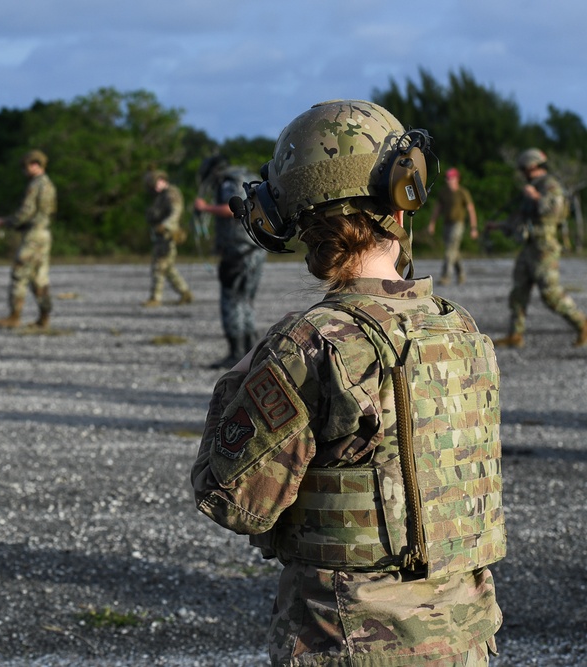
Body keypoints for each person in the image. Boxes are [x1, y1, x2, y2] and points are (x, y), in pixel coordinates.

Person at [191, 100, 505, 666]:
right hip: (466, 639)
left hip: (348, 642)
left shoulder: (310, 342)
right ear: (403, 197)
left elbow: (232, 499)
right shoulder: (461, 329)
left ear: (294, 219)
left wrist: (232, 386)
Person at [493, 148, 587, 348]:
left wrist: (536, 197)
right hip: (529, 246)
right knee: (519, 291)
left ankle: (582, 324)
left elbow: (555, 211)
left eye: (524, 169)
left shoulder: (550, 185)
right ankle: (515, 335)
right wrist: (499, 226)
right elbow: (522, 218)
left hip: (544, 247)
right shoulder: (533, 186)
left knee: (551, 294)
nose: (523, 173)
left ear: (532, 166)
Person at [193, 155, 266, 368]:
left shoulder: (228, 183)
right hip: (254, 248)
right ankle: (251, 352)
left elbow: (231, 208)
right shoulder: (244, 178)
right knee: (246, 301)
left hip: (239, 252)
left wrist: (204, 208)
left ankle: (237, 353)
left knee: (231, 302)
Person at [0, 149, 56, 329]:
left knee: (19, 274)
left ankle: (14, 316)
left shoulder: (35, 185)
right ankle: (44, 318)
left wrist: (6, 222)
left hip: (33, 235)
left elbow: (26, 212)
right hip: (45, 233)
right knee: (39, 278)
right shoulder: (49, 184)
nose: (24, 171)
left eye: (25, 167)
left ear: (35, 165)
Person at [142, 170, 192, 307]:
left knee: (159, 266)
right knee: (168, 268)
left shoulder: (171, 193)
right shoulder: (161, 196)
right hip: (162, 234)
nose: (154, 187)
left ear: (163, 180)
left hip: (168, 235)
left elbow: (176, 212)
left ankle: (155, 298)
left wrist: (166, 225)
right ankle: (185, 293)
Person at [426, 167, 478, 285]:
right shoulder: (443, 192)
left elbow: (471, 209)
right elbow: (437, 209)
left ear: (457, 179)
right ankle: (461, 273)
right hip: (447, 224)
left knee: (450, 249)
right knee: (454, 250)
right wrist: (432, 224)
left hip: (458, 224)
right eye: (447, 178)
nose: (448, 180)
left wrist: (473, 227)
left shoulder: (462, 192)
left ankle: (446, 276)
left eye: (451, 178)